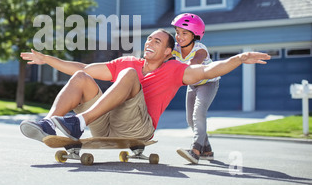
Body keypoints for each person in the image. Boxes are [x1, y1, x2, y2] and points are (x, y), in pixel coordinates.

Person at [19, 29, 270, 147]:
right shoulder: (128, 61)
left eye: (157, 41)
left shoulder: (175, 69)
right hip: (105, 121)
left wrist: (238, 59)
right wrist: (48, 59)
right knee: (83, 76)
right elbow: (83, 67)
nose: (150, 42)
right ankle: (50, 124)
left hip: (138, 127)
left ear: (168, 51)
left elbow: (207, 71)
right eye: (149, 38)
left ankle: (77, 123)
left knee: (128, 75)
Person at [171, 13, 219, 164]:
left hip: (208, 83)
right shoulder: (176, 48)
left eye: (184, 33)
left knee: (199, 114)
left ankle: (195, 151)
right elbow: (164, 56)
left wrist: (182, 68)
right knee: (190, 119)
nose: (179, 36)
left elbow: (195, 61)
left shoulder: (200, 49)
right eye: (177, 32)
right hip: (193, 84)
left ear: (195, 34)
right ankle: (208, 151)